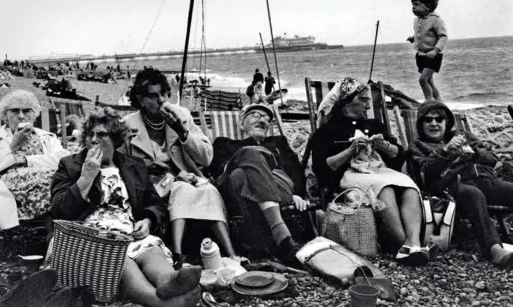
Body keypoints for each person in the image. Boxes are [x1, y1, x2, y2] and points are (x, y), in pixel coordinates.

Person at [49, 108, 202, 307]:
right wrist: (86, 177)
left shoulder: (133, 165)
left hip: (129, 231)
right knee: (120, 258)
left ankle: (169, 280)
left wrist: (148, 220)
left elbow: (154, 203)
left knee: (151, 251)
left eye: (101, 134)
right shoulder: (70, 165)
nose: (93, 140)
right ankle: (160, 302)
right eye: (89, 135)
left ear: (114, 139)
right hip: (90, 236)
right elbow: (59, 210)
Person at [121, 68, 243, 268]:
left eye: (163, 94)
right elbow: (120, 164)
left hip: (187, 179)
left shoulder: (181, 116)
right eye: (153, 95)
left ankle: (231, 254)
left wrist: (183, 132)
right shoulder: (128, 126)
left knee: (209, 190)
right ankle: (177, 255)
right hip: (153, 187)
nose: (160, 100)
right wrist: (146, 166)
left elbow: (207, 157)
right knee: (182, 189)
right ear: (141, 100)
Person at [311, 78, 430, 265]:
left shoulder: (375, 125)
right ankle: (403, 245)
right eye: (364, 100)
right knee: (385, 187)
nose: (368, 104)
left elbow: (400, 157)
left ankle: (414, 244)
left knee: (408, 184)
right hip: (349, 175)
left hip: (379, 171)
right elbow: (321, 168)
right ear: (348, 101)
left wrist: (384, 145)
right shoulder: (327, 131)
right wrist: (350, 151)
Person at [407, 100, 513, 269]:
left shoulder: (464, 136)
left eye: (439, 119)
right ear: (421, 124)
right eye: (428, 120)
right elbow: (426, 173)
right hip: (451, 186)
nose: (434, 123)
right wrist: (445, 151)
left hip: (483, 180)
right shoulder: (417, 145)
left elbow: (492, 159)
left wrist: (473, 151)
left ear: (446, 122)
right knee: (474, 195)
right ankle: (495, 250)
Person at [208, 104, 311, 265]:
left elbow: (295, 170)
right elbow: (218, 171)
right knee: (240, 172)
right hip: (233, 187)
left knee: (242, 171)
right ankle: (282, 237)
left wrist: (297, 193)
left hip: (279, 185)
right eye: (256, 115)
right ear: (242, 123)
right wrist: (248, 158)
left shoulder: (278, 142)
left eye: (267, 119)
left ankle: (262, 242)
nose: (263, 119)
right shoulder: (224, 143)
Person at [0, 90, 70, 230]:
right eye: (15, 111)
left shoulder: (46, 137)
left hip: (46, 179)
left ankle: (54, 232)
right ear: (5, 115)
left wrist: (26, 160)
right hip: (7, 185)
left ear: (34, 114)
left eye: (27, 111)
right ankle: (57, 229)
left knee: (61, 177)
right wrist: (13, 145)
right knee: (57, 179)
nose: (21, 116)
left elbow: (64, 159)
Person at [406, 0, 448, 102]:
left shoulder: (435, 20)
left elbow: (443, 37)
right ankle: (439, 101)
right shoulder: (417, 20)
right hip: (421, 55)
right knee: (429, 81)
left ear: (428, 7)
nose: (413, 7)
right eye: (412, 5)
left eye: (416, 4)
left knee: (422, 80)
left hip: (433, 56)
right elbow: (422, 34)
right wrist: (413, 38)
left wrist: (435, 51)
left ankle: (429, 100)